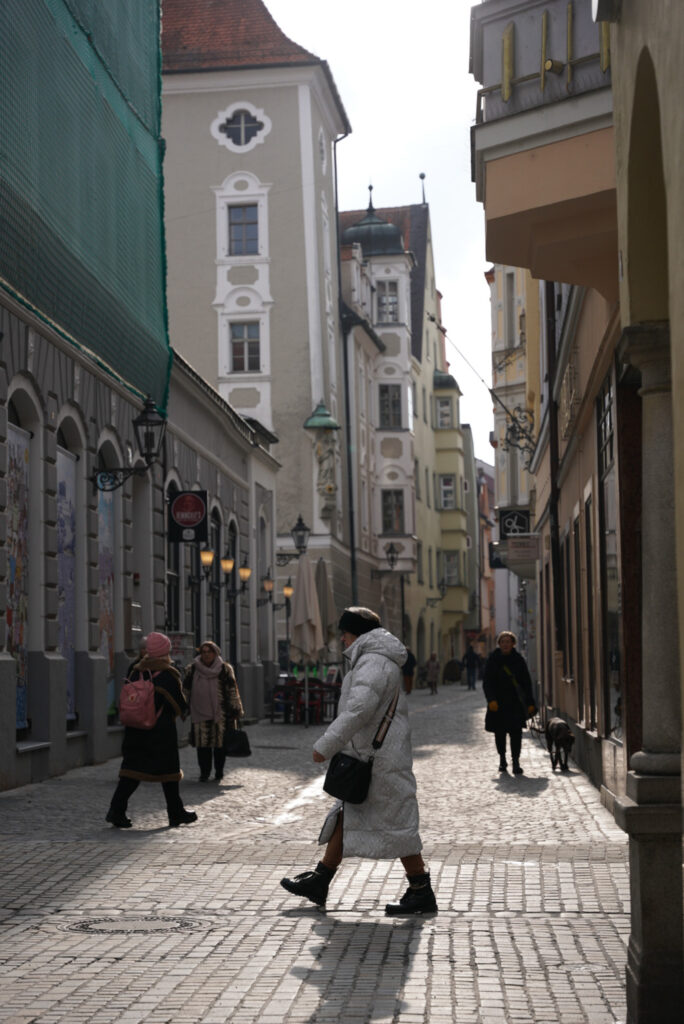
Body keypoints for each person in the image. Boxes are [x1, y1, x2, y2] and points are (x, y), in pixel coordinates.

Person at [280, 606, 437, 916]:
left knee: (397, 823)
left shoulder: (373, 662)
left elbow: (359, 710)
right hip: (373, 755)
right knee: (349, 813)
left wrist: (325, 745)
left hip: (378, 759)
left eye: (345, 632)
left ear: (357, 633)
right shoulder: (374, 659)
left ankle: (421, 890)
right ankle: (321, 879)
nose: (342, 638)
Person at [106, 631, 198, 828]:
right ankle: (175, 813)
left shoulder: (135, 669)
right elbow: (178, 705)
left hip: (134, 729)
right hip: (160, 732)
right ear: (165, 651)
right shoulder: (168, 673)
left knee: (131, 773)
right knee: (169, 774)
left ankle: (116, 810)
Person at [183, 640, 244, 782]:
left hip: (220, 714)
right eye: (203, 652)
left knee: (220, 746)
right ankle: (204, 772)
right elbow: (186, 690)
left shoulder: (225, 669)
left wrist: (235, 709)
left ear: (215, 653)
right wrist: (183, 708)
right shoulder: (192, 669)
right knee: (202, 746)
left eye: (209, 651)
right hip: (199, 713)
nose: (206, 655)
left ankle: (219, 772)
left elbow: (232, 689)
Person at [483, 630, 537, 775]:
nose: (505, 644)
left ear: (513, 644)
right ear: (499, 644)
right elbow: (487, 682)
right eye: (503, 642)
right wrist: (491, 700)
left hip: (515, 704)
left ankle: (516, 761)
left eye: (508, 642)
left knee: (516, 734)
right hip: (498, 704)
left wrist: (530, 702)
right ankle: (502, 759)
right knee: (499, 734)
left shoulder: (519, 660)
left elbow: (526, 683)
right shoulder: (493, 660)